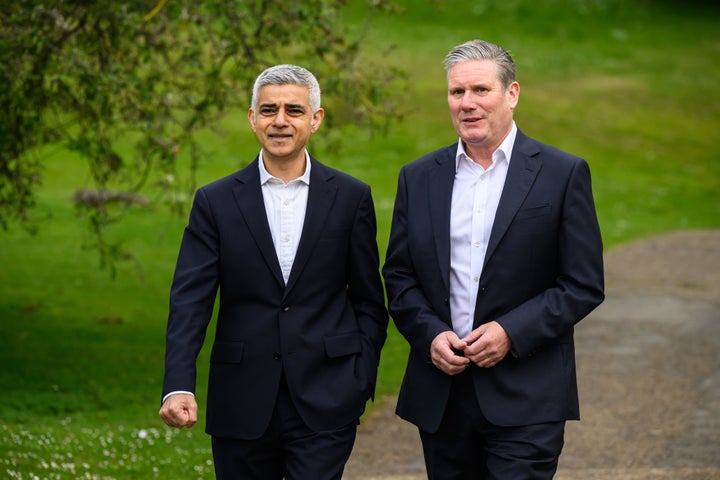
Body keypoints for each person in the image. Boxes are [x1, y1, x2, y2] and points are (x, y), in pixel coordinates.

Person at [382, 40, 605, 479]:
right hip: (442, 394)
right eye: (456, 92)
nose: (467, 103)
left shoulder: (562, 174)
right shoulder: (419, 177)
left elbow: (582, 284)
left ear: (512, 93)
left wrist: (510, 332)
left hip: (528, 391)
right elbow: (399, 275)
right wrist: (429, 336)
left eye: (480, 90)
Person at [159, 64, 388, 480]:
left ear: (315, 119)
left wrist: (360, 377)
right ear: (252, 118)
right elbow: (190, 301)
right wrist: (178, 384)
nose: (280, 121)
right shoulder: (215, 202)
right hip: (240, 400)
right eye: (268, 110)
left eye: (294, 110)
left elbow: (369, 300)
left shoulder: (352, 197)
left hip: (327, 398)